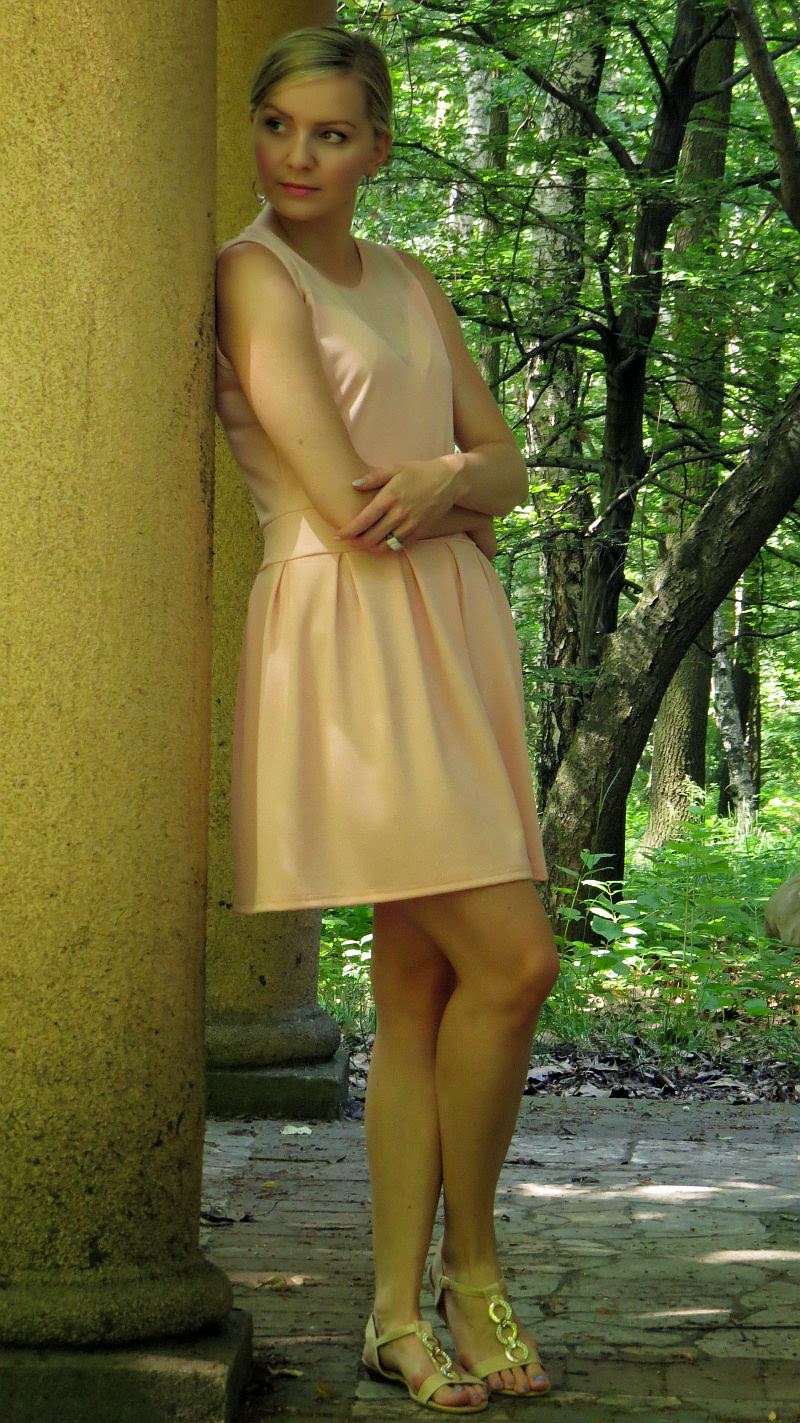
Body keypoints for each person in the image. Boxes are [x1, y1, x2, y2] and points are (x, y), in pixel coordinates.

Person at [215, 25, 559, 1414]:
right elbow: (345, 498)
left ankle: (394, 1317)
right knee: (516, 959)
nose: (297, 156)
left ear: (378, 148)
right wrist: (446, 487)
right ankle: (472, 1276)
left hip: (449, 630)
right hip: (352, 637)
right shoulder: (254, 273)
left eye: (331, 133)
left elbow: (510, 469)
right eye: (278, 126)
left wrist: (450, 483)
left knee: (421, 985)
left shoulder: (411, 278)